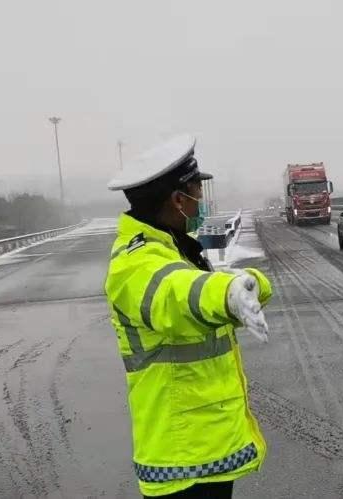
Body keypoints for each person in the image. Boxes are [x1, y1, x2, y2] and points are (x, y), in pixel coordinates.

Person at [104, 134, 273, 498]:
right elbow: (174, 294)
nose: (201, 201)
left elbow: (198, 284)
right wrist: (226, 294)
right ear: (179, 200)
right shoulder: (135, 263)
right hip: (180, 461)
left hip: (203, 448)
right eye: (198, 193)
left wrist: (249, 283)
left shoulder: (174, 247)